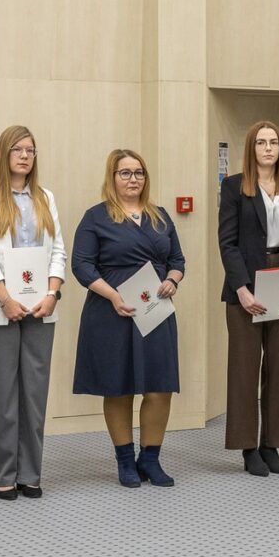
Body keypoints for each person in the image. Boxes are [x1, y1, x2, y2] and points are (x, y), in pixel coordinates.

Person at [72, 149, 185, 488]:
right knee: (118, 387)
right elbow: (81, 265)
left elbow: (178, 260)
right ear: (112, 177)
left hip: (155, 310)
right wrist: (112, 296)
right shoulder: (95, 217)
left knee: (160, 386)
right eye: (125, 173)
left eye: (139, 173)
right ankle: (125, 461)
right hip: (113, 311)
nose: (133, 179)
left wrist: (173, 280)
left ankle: (150, 459)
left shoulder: (160, 216)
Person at [0, 125, 66, 500]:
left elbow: (58, 251)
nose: (25, 156)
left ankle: (29, 473)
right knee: (1, 398)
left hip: (40, 309)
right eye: (18, 150)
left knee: (34, 396)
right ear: (4, 154)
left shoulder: (45, 198)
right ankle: (2, 473)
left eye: (30, 150)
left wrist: (52, 294)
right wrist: (6, 299)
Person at [218, 121, 279, 476]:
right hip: (246, 283)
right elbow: (227, 242)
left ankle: (272, 445)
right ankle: (248, 449)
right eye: (261, 142)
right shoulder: (233, 187)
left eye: (274, 142)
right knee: (245, 369)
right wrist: (242, 289)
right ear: (251, 147)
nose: (268, 148)